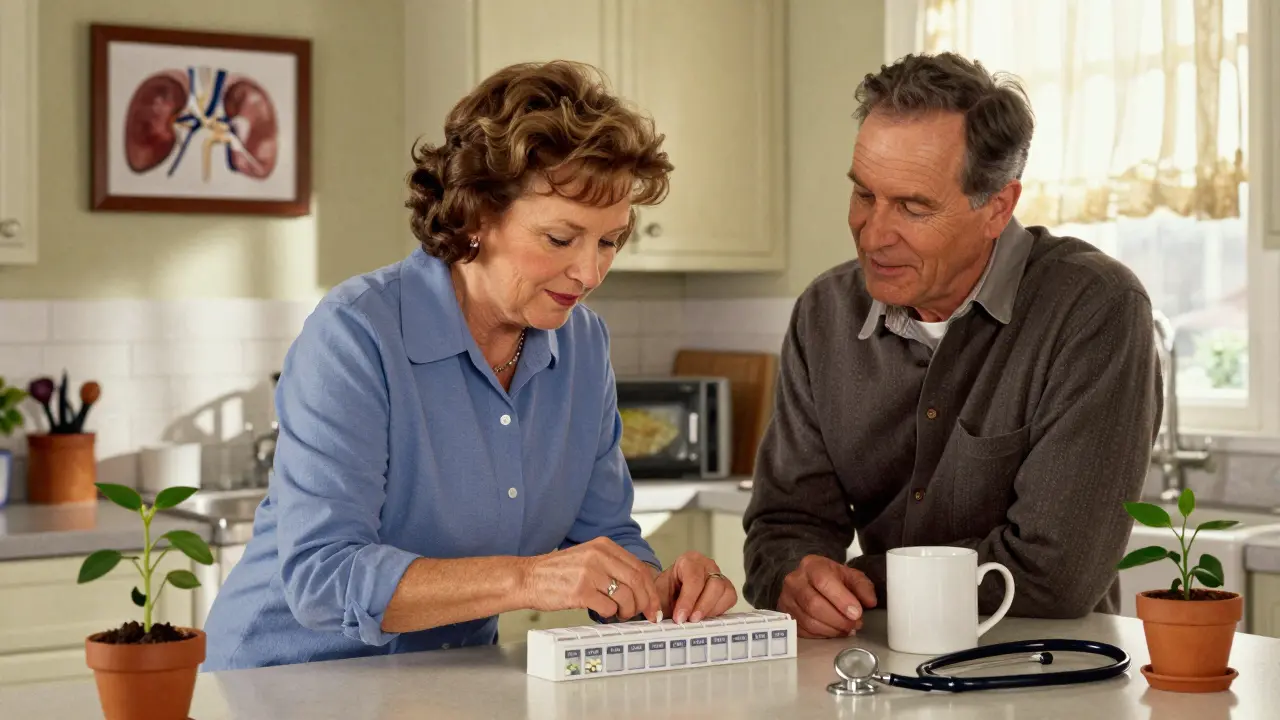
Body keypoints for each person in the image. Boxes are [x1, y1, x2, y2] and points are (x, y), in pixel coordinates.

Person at [203, 60, 738, 670]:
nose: (590, 274)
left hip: (448, 684)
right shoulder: (357, 333)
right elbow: (322, 578)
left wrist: (662, 589)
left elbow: (604, 540)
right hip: (285, 686)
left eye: (610, 241)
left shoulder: (583, 346)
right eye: (561, 240)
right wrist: (530, 580)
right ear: (477, 217)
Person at [741, 52, 1162, 638]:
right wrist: (797, 575)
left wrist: (860, 580)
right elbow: (785, 525)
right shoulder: (824, 312)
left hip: (1043, 678)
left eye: (913, 207)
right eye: (864, 195)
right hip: (878, 673)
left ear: (997, 207)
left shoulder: (1095, 309)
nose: (874, 233)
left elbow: (1055, 575)